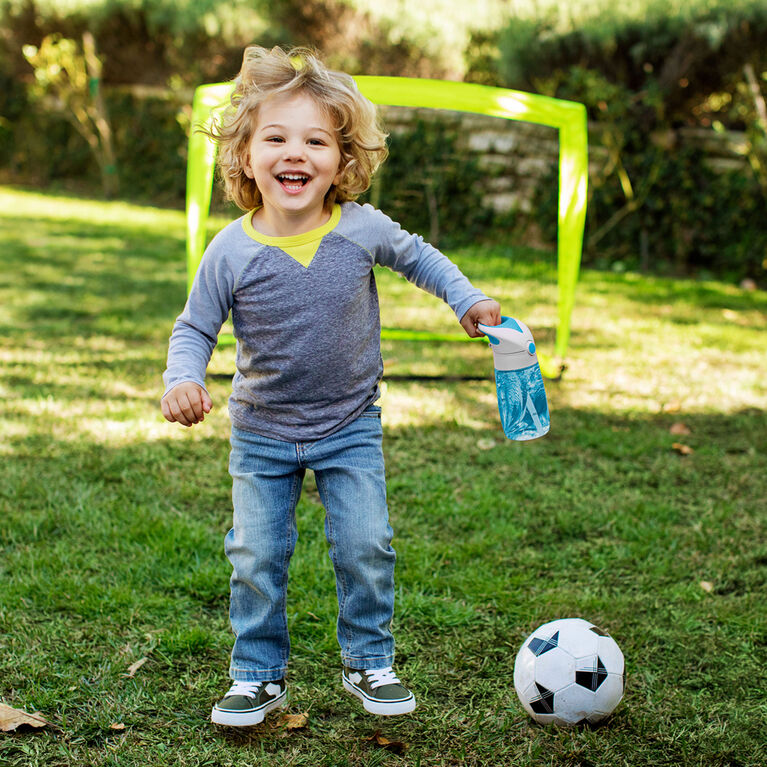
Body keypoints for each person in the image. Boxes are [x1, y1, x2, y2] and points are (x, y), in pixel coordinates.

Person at [161, 45, 502, 727]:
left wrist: (465, 300)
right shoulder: (231, 248)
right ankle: (256, 675)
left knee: (365, 543)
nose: (297, 152)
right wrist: (181, 378)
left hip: (348, 426)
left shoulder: (360, 228)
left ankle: (368, 660)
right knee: (257, 554)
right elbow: (194, 327)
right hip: (261, 433)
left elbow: (421, 258)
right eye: (277, 137)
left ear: (342, 161)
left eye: (316, 140)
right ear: (246, 156)